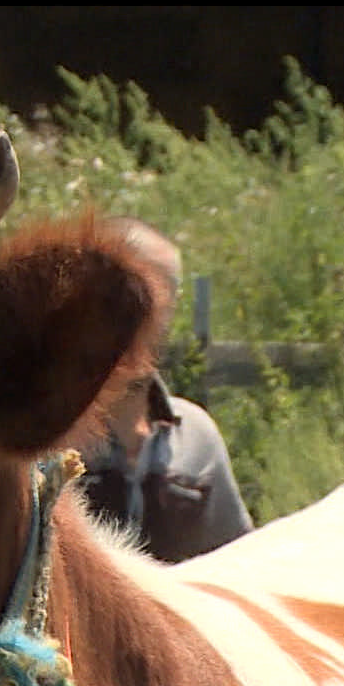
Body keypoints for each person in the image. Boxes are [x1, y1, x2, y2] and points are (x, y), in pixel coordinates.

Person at [73, 218, 255, 562]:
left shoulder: (196, 434)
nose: (150, 318)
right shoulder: (49, 438)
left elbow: (235, 560)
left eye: (165, 296)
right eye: (134, 294)